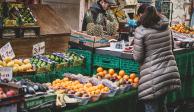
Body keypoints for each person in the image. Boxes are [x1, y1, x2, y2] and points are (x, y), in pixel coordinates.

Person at [133, 6, 181, 112]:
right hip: (168, 73)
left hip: (152, 76)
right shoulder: (167, 28)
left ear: (142, 16)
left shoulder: (140, 31)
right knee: (162, 105)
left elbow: (138, 57)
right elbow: (171, 48)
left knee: (151, 107)